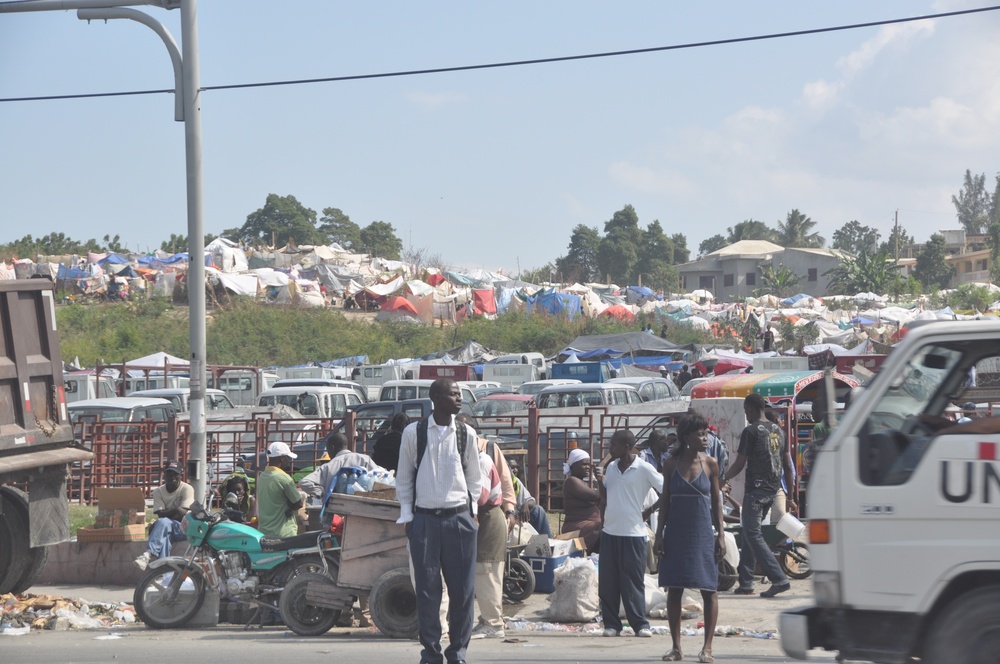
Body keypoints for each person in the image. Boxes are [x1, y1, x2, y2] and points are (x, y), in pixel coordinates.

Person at [396, 379, 481, 664]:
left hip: (459, 520)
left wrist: (472, 513)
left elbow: (474, 479)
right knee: (428, 593)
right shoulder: (414, 432)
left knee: (463, 593)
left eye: (459, 394)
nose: (459, 398)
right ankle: (431, 654)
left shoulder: (465, 433)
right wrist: (407, 515)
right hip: (424, 522)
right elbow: (404, 477)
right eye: (453, 393)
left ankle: (457, 653)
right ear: (435, 397)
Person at [654, 413, 725, 663]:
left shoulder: (711, 464)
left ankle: (707, 648)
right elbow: (665, 500)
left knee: (709, 589)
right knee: (674, 589)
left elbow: (717, 501)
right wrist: (659, 534)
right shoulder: (671, 465)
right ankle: (676, 647)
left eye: (706, 433)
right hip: (676, 532)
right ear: (686, 437)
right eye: (700, 434)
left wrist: (721, 535)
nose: (705, 438)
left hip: (703, 533)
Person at [723, 393, 796, 597]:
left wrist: (723, 478)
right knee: (749, 531)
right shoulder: (779, 432)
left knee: (753, 534)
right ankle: (746, 582)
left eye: (746, 410)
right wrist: (790, 496)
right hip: (773, 490)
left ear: (752, 409)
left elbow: (739, 463)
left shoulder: (751, 431)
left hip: (756, 491)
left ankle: (778, 578)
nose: (746, 414)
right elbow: (788, 467)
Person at [598, 429, 663, 638]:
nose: (610, 449)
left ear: (626, 447)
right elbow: (606, 497)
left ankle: (640, 624)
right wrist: (599, 480)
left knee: (633, 581)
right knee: (609, 581)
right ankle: (611, 624)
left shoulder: (643, 468)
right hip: (610, 532)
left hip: (634, 534)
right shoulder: (612, 468)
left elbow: (666, 490)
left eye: (613, 445)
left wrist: (649, 511)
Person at [134, 460, 195, 571]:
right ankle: (163, 573)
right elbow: (161, 515)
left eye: (175, 474)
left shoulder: (187, 489)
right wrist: (176, 510)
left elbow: (183, 515)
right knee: (165, 535)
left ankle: (148, 554)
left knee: (162, 524)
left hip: (184, 528)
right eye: (169, 474)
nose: (172, 477)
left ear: (180, 475)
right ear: (164, 475)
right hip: (168, 528)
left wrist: (171, 512)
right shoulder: (158, 492)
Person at [298, 432, 385, 501]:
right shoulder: (365, 459)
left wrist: (324, 493)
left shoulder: (328, 466)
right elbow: (381, 478)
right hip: (363, 507)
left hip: (336, 510)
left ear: (332, 447)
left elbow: (304, 482)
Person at [256, 442, 304, 539]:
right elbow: (298, 503)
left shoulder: (263, 476)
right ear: (282, 458)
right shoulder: (284, 478)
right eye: (288, 458)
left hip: (264, 531)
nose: (289, 461)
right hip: (283, 533)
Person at [561, 448, 603, 553]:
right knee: (604, 527)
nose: (588, 467)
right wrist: (602, 482)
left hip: (589, 524)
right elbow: (595, 496)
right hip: (578, 525)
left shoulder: (581, 482)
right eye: (584, 464)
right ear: (573, 465)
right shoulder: (571, 481)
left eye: (589, 464)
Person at [507, 456, 551, 537]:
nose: (515, 470)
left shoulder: (516, 482)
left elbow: (532, 501)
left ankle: (548, 544)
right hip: (506, 520)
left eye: (517, 467)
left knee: (538, 510)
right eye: (512, 467)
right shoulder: (498, 483)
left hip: (519, 518)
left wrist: (526, 504)